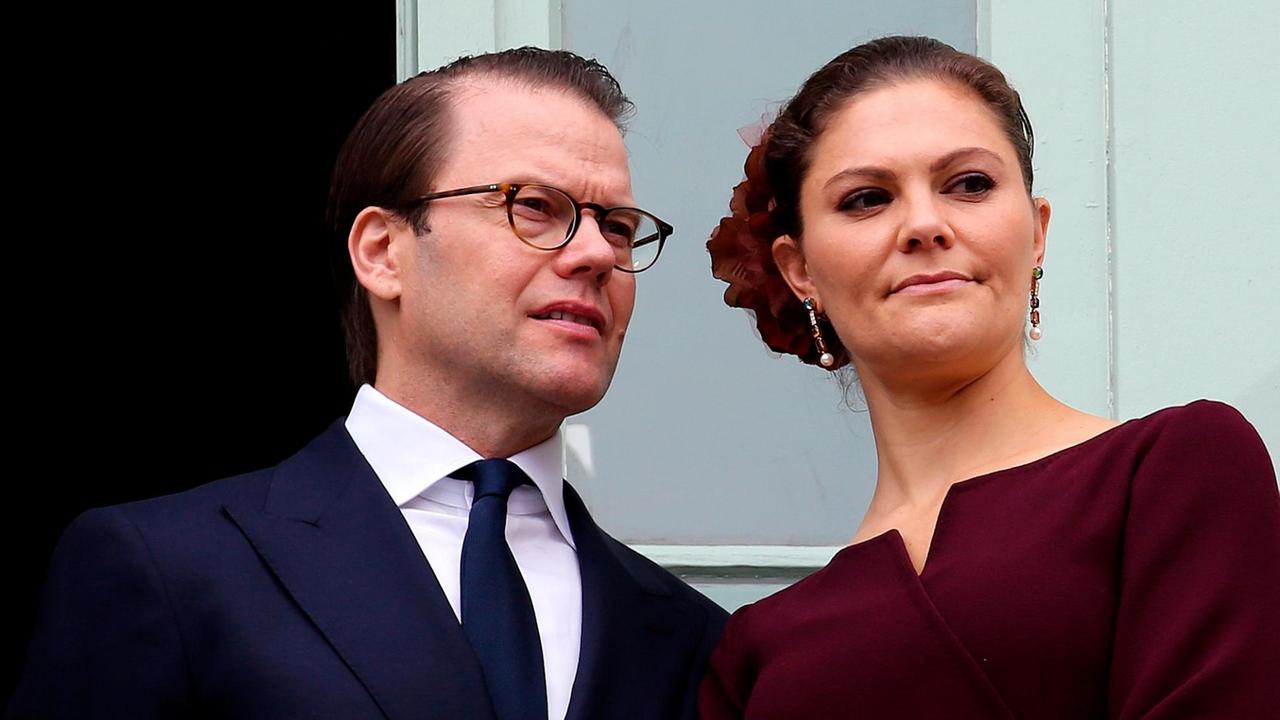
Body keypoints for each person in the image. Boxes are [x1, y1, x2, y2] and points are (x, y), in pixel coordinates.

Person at [11, 47, 726, 720]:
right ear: (383, 251)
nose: (598, 252)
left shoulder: (692, 634)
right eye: (535, 205)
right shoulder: (167, 567)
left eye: (621, 227)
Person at [701, 35, 1279, 718]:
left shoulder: (1176, 471)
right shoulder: (757, 653)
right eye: (865, 199)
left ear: (1036, 235)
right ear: (800, 270)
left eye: (969, 184)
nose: (924, 224)